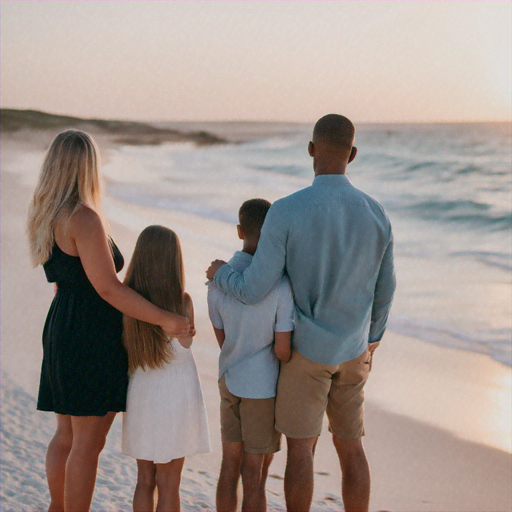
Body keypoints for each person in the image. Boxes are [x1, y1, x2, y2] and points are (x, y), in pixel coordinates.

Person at [206, 114, 396, 512]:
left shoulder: (287, 211)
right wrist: (371, 340)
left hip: (306, 353)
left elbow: (257, 288)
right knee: (352, 450)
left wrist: (221, 274)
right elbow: (386, 288)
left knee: (300, 452)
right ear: (353, 154)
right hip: (354, 349)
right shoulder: (377, 213)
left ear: (311, 149)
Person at [27, 130, 191, 512]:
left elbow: (68, 279)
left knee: (66, 435)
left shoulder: (48, 214)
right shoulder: (83, 218)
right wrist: (165, 318)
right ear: (88, 167)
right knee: (87, 444)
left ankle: (57, 507)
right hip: (89, 333)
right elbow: (109, 290)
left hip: (62, 324)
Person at [207, 199, 294, 512]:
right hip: (262, 387)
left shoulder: (217, 281)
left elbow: (223, 339)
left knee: (229, 465)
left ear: (240, 231)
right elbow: (283, 350)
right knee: (254, 473)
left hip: (229, 378)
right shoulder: (281, 285)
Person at [122, 225, 210, 512]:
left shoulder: (128, 302)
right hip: (177, 395)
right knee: (170, 483)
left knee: (144, 480)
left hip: (143, 393)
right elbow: (184, 347)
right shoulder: (182, 303)